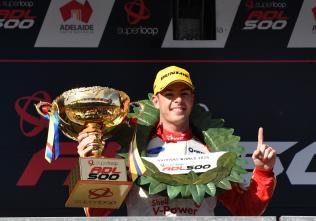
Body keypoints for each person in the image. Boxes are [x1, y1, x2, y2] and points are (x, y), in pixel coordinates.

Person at [77, 65, 276, 216]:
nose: (178, 100)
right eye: (169, 95)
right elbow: (96, 212)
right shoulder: (134, 151)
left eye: (184, 93)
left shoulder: (213, 150)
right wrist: (91, 165)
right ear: (156, 101)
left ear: (192, 99)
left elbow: (246, 209)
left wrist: (263, 171)